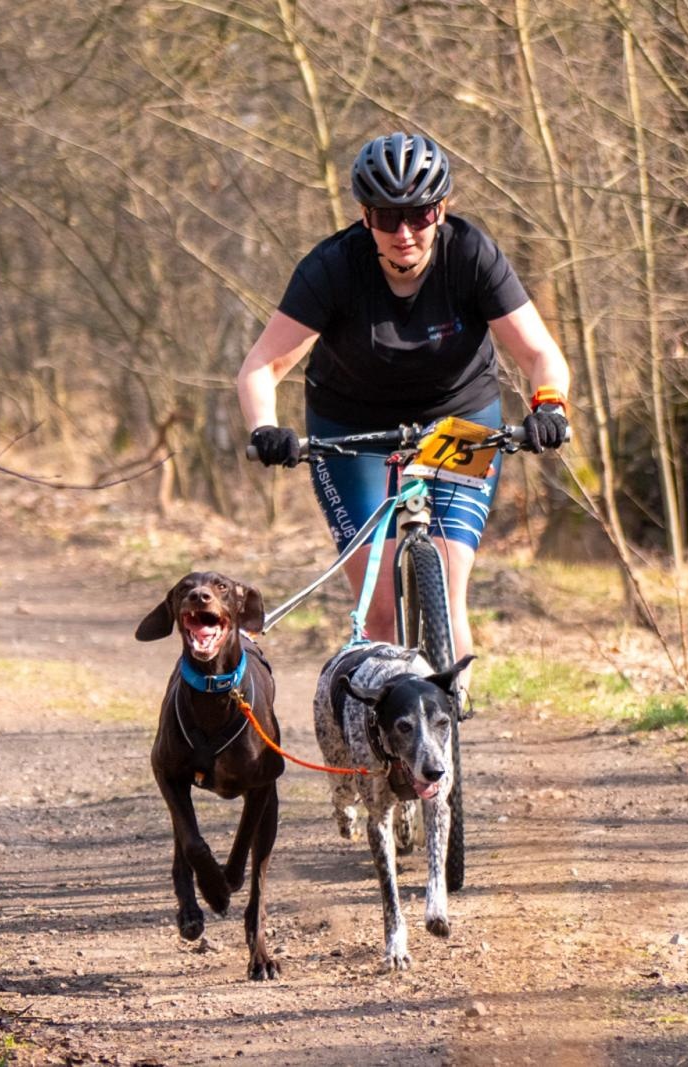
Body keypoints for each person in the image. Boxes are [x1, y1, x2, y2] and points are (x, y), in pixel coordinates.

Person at [236, 132, 571, 700]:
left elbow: (541, 355)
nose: (405, 232)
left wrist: (549, 407)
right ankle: (376, 732)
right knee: (382, 606)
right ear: (366, 218)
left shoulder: (471, 255)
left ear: (441, 209)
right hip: (352, 429)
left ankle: (446, 733)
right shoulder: (333, 269)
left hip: (459, 422)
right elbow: (259, 368)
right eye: (388, 217)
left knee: (447, 576)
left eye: (419, 214)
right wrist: (265, 429)